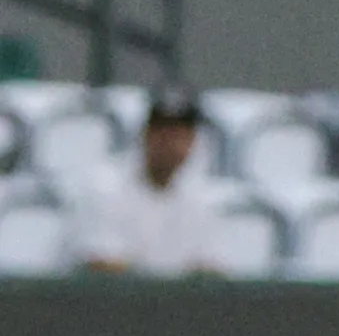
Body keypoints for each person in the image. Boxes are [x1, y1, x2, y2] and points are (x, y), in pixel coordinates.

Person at [67, 89, 225, 276]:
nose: (170, 143)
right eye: (161, 132)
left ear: (192, 141)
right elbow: (101, 265)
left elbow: (210, 269)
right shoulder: (104, 186)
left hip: (173, 303)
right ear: (145, 134)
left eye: (179, 134)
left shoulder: (201, 197)